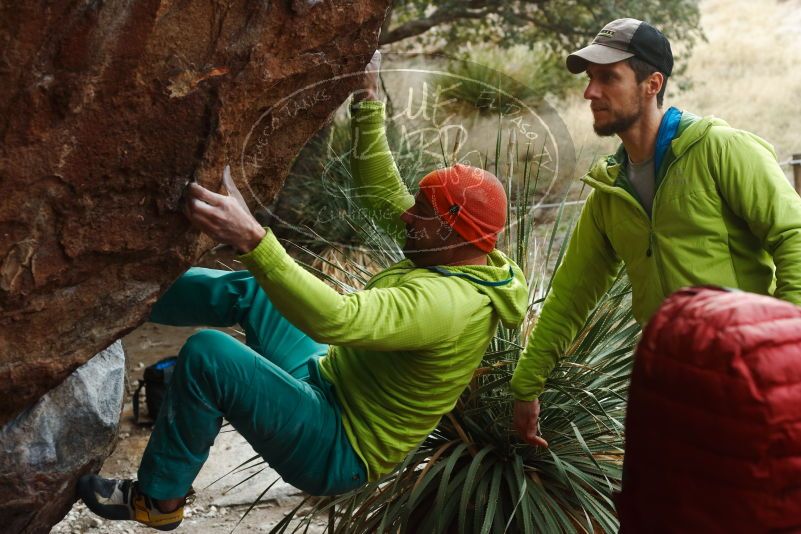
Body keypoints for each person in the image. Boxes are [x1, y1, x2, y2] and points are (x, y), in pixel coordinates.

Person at [77, 52, 528, 531]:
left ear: (453, 232)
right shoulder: (458, 251)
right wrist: (367, 100)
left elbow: (339, 319)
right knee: (257, 292)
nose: (407, 218)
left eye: (421, 213)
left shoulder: (451, 305)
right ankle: (118, 303)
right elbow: (382, 197)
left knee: (209, 355)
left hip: (337, 446)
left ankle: (157, 501)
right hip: (324, 382)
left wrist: (253, 239)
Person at [511, 18, 801, 448]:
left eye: (608, 77)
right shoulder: (609, 192)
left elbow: (793, 237)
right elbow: (571, 295)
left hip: (754, 380)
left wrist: (784, 355)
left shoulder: (719, 149)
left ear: (652, 83)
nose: (591, 92)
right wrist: (526, 386)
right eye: (590, 79)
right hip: (673, 390)